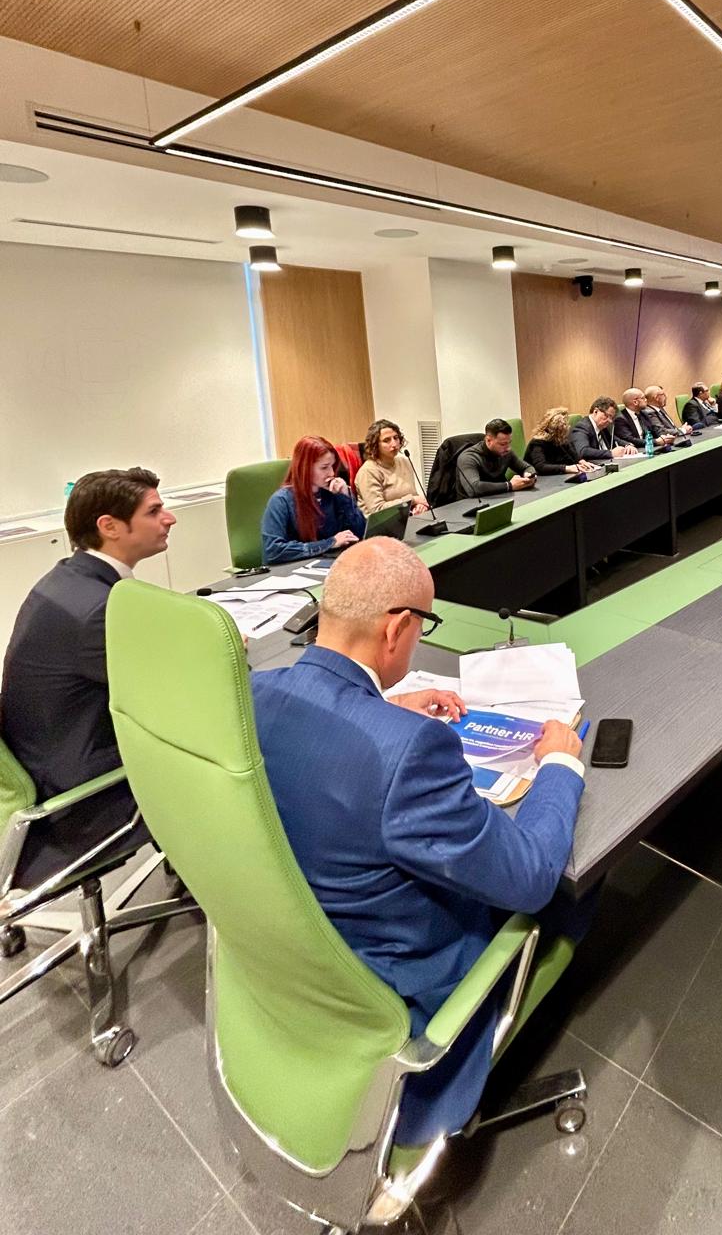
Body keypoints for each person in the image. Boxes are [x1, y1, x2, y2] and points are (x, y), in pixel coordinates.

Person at [250, 539, 586, 1146]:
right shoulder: (409, 752)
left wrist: (380, 705)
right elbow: (532, 874)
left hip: (298, 964)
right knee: (575, 883)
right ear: (398, 628)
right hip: (404, 991)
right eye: (424, 624)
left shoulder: (256, 692)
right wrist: (560, 764)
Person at [0, 468, 176, 885]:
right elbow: (175, 695)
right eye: (154, 511)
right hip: (81, 803)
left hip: (50, 763)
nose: (169, 518)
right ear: (109, 526)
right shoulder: (98, 610)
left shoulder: (69, 580)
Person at [262, 436, 366, 564]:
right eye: (324, 467)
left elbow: (361, 534)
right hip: (295, 568)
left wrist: (346, 497)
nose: (331, 473)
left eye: (332, 466)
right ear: (305, 468)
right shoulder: (281, 501)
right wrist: (329, 543)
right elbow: (273, 551)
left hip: (329, 563)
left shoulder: (333, 493)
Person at [355, 419, 429, 516]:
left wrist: (419, 506)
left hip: (407, 518)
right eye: (386, 440)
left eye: (396, 438)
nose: (394, 444)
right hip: (380, 523)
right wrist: (412, 500)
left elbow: (414, 495)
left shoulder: (404, 461)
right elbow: (377, 510)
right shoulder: (368, 471)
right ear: (375, 445)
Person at [455, 419, 536, 499]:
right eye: (503, 444)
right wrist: (509, 485)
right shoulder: (468, 458)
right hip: (472, 503)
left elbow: (526, 467)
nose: (508, 448)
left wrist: (529, 475)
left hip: (500, 497)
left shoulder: (506, 452)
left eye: (509, 442)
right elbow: (474, 488)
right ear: (488, 440)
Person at [522, 408, 596, 476]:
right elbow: (541, 467)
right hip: (541, 480)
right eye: (562, 430)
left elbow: (572, 455)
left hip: (557, 476)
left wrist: (581, 461)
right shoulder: (537, 442)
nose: (567, 428)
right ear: (554, 430)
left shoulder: (561, 438)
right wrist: (567, 468)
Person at [569, 397, 637, 460]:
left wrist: (627, 445)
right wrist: (611, 453)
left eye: (611, 418)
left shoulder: (602, 427)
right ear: (596, 411)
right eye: (607, 416)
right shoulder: (582, 427)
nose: (610, 421)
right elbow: (583, 451)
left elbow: (613, 439)